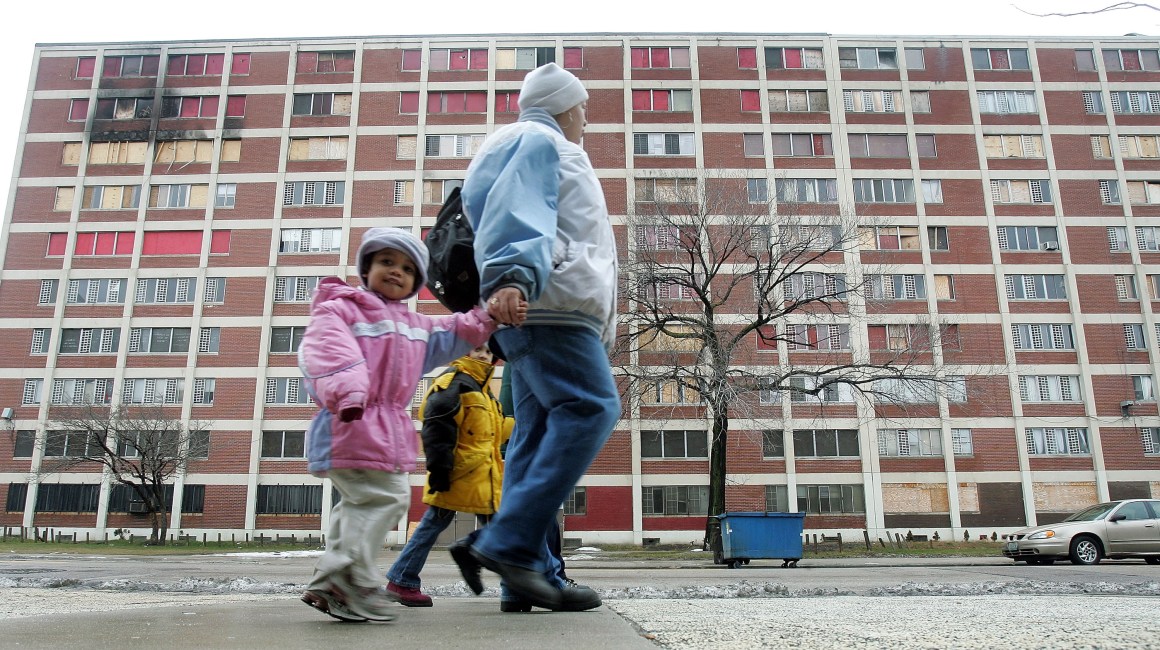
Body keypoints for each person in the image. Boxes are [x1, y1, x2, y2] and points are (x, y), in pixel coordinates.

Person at [451, 62, 620, 612]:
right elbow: (515, 212)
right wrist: (512, 278)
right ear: (563, 105)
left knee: (533, 434)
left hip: (539, 307)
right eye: (584, 110)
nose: (586, 122)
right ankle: (507, 544)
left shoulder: (529, 142)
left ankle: (522, 581)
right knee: (591, 407)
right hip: (551, 307)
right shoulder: (538, 139)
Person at [297, 227, 510, 622]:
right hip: (353, 420)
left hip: (382, 430)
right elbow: (326, 350)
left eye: (408, 268)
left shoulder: (416, 326)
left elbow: (456, 331)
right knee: (385, 499)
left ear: (417, 282)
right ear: (367, 268)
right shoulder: (343, 309)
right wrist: (348, 391)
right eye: (386, 262)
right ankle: (350, 580)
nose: (396, 271)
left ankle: (332, 578)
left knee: (360, 502)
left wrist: (489, 315)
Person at [384, 344, 511, 607]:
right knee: (437, 526)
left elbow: (495, 432)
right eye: (477, 349)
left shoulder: (484, 393)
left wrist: (526, 422)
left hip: (482, 476)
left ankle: (407, 576)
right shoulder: (455, 384)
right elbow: (436, 428)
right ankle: (404, 578)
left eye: (488, 352)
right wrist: (440, 470)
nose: (483, 355)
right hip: (457, 474)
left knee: (496, 528)